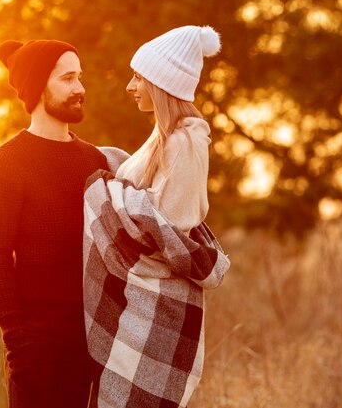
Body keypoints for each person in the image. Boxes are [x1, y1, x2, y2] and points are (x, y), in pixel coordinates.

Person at [83, 25, 231, 408]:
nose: (130, 87)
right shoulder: (163, 139)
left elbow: (163, 229)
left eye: (138, 78)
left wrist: (105, 191)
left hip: (158, 304)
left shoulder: (185, 142)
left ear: (161, 84)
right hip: (139, 301)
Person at [0, 38, 109, 408]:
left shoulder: (93, 160)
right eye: (68, 79)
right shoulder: (8, 161)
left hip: (88, 342)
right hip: (34, 348)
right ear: (38, 87)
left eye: (80, 78)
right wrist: (18, 345)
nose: (80, 89)